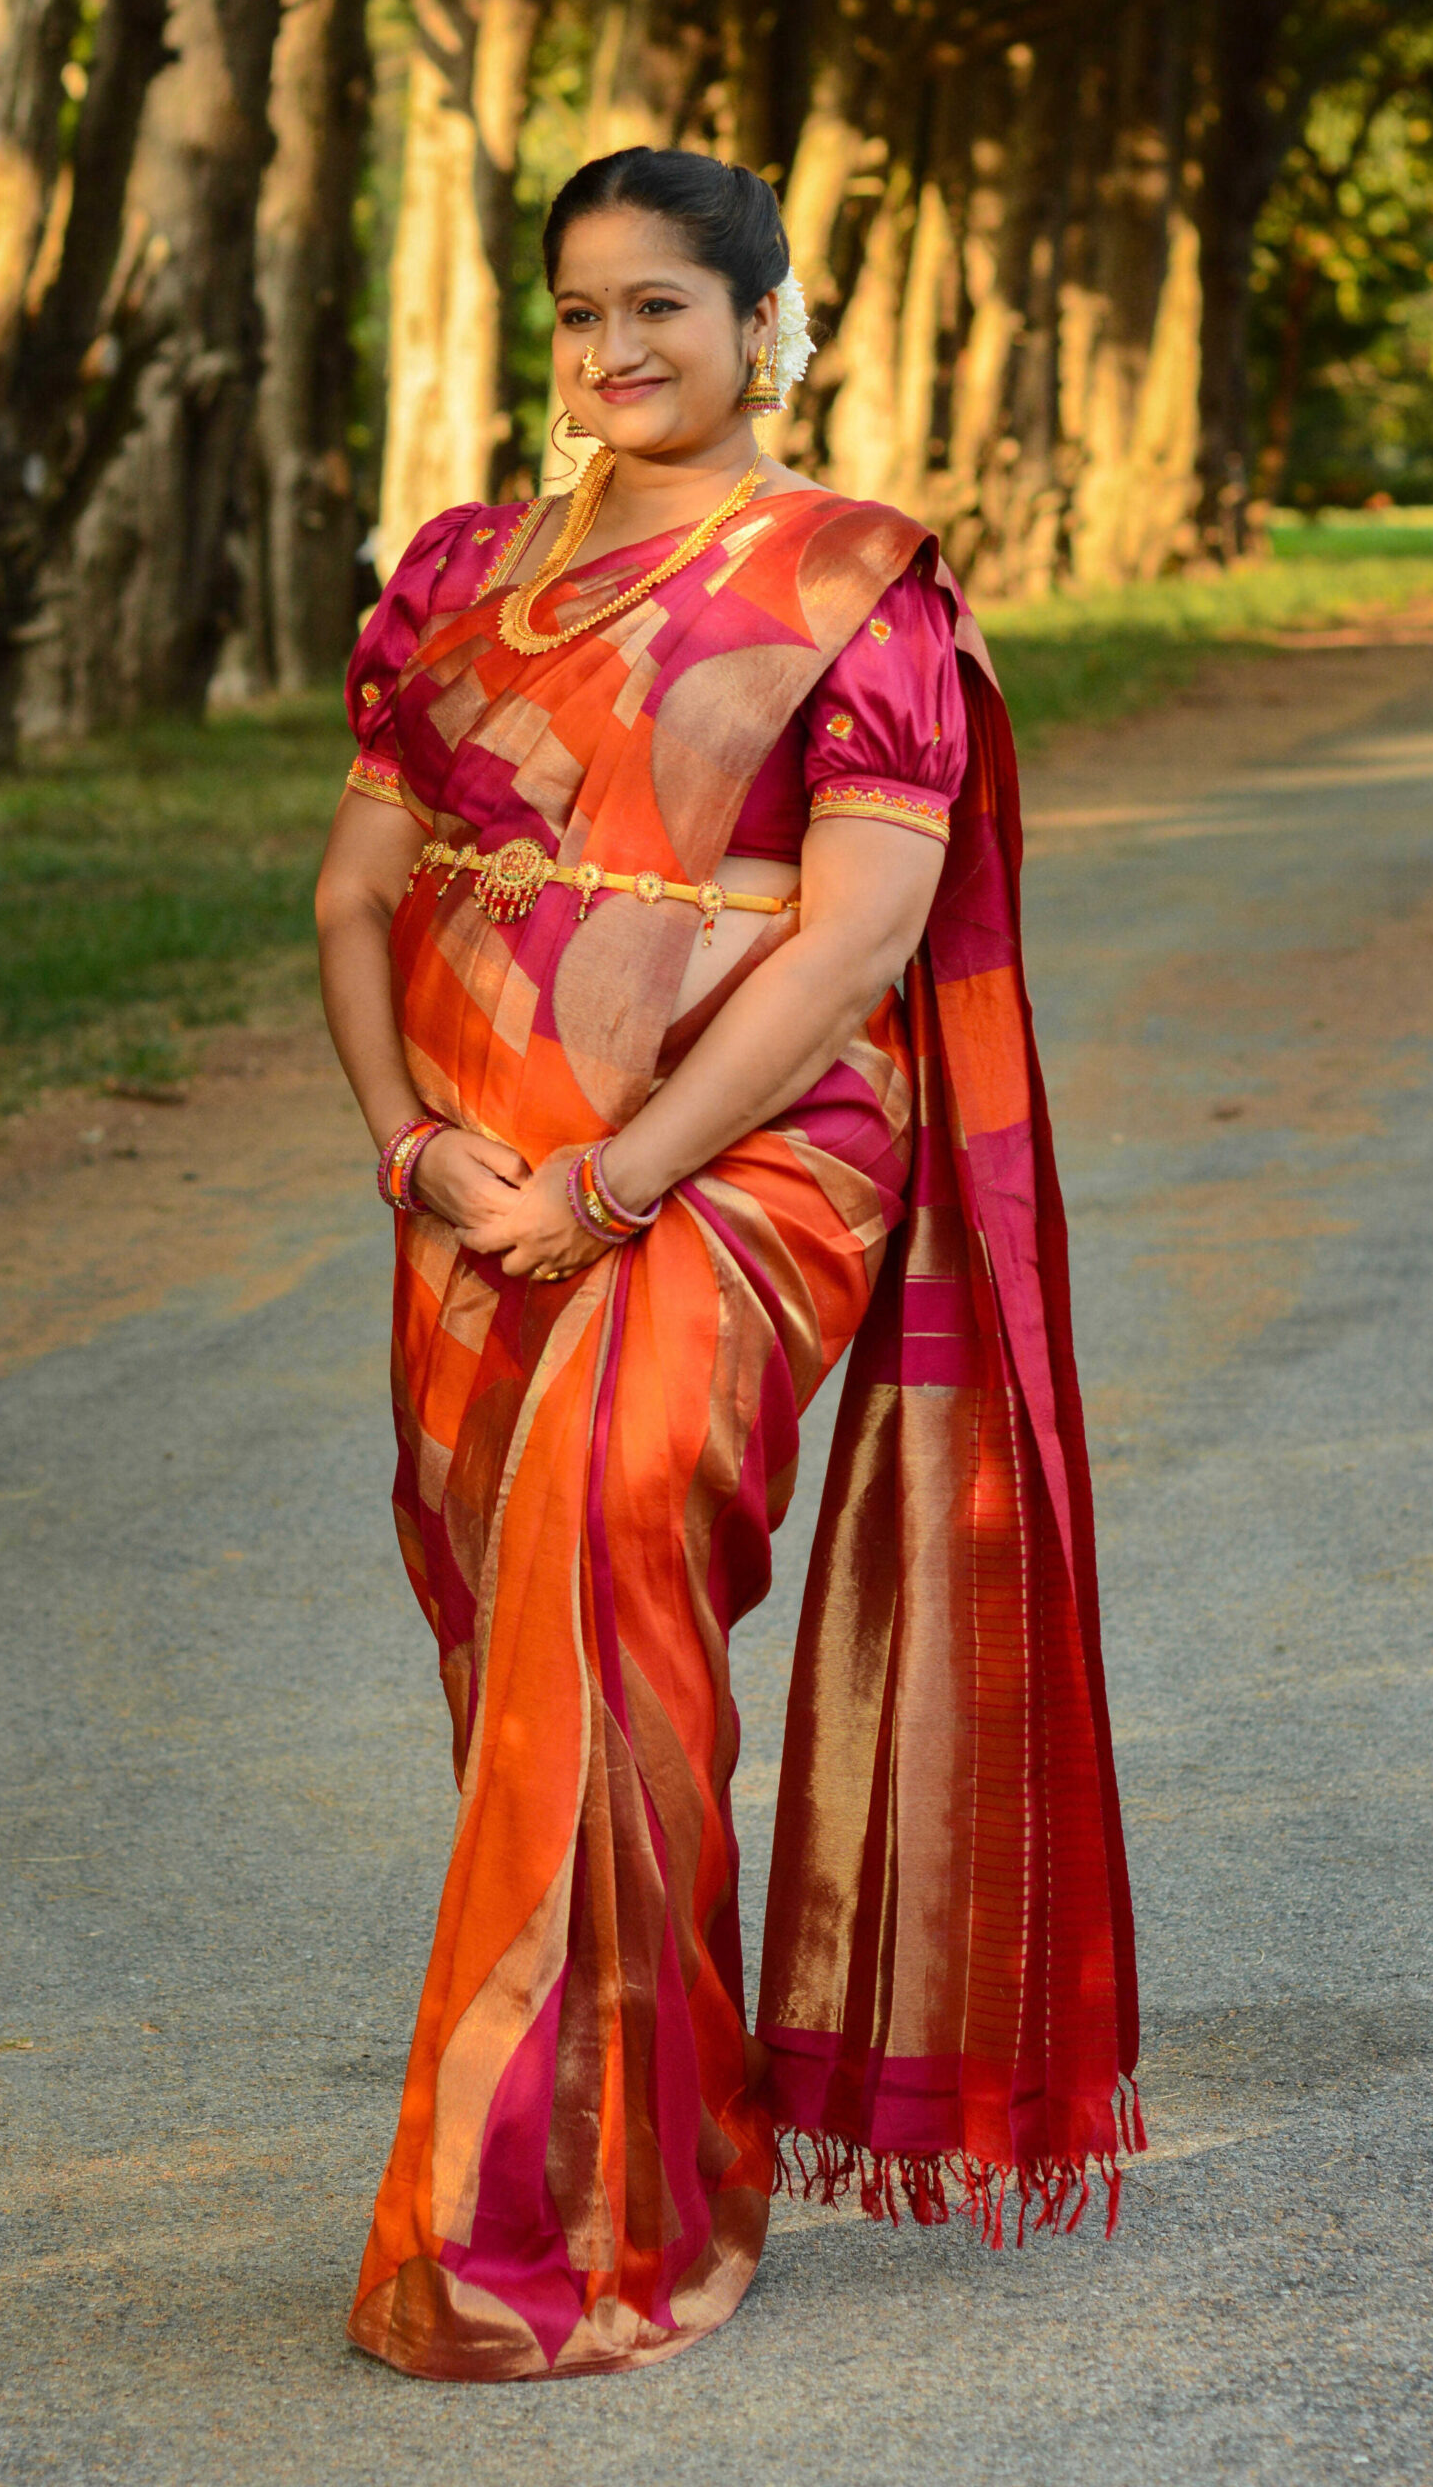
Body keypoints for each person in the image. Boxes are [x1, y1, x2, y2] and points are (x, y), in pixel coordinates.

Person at [315, 147, 1141, 2384]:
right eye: (577, 311)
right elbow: (348, 891)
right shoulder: (467, 573)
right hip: (471, 1165)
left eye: (661, 306)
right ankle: (653, 2125)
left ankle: (556, 2213)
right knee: (541, 1667)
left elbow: (853, 936)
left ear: (769, 320)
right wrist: (416, 1149)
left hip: (748, 1164)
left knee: (600, 1560)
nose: (612, 353)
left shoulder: (851, 580)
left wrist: (612, 1181)